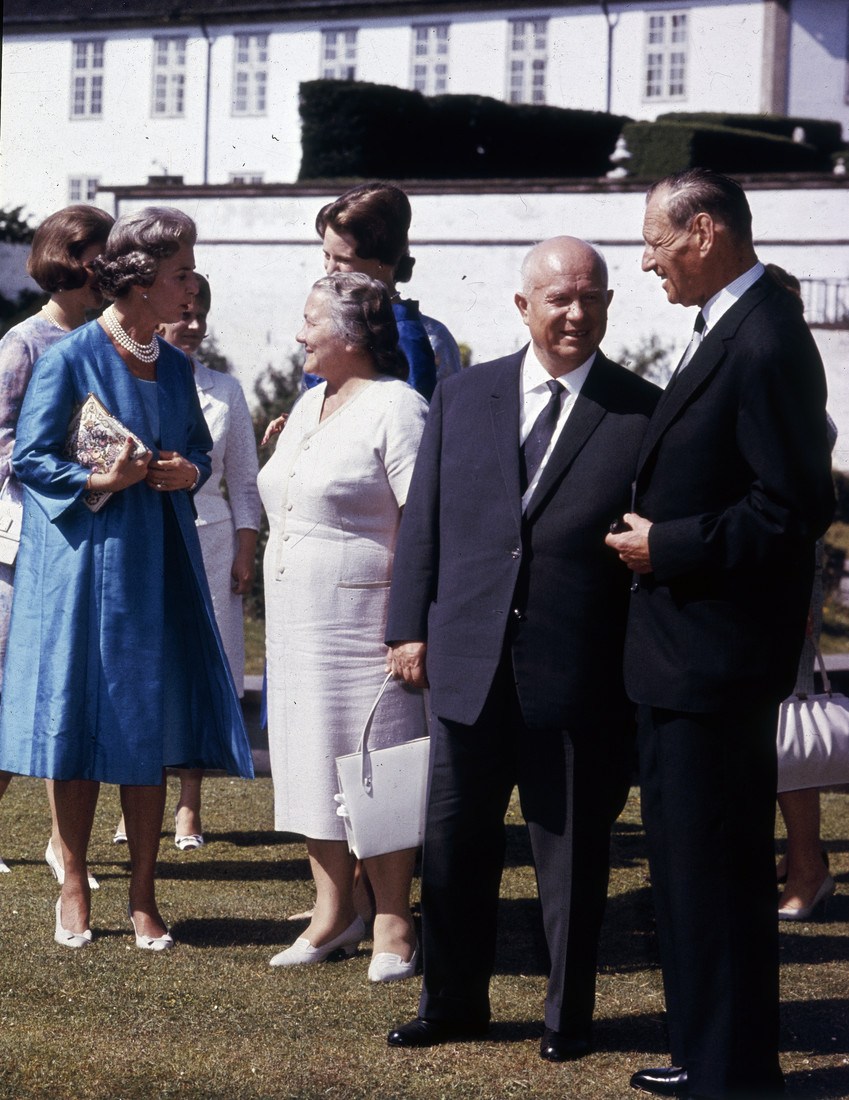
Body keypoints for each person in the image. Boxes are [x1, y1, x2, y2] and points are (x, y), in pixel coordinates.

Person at [384, 237, 660, 1058]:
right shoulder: (462, 396)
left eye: (592, 298)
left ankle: (565, 1019)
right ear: (522, 305)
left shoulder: (642, 412)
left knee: (570, 857)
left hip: (577, 673)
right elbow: (424, 522)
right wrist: (407, 627)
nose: (576, 314)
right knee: (453, 844)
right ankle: (451, 1004)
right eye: (559, 299)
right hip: (466, 665)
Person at [606, 169, 834, 1099]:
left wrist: (672, 545)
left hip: (714, 655)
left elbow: (793, 507)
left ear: (702, 232)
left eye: (654, 241)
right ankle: (711, 1053)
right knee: (691, 869)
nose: (647, 260)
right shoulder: (730, 328)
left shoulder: (766, 338)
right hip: (681, 655)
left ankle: (733, 1072)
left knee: (717, 869)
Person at [0, 206, 254, 951]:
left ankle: (144, 896)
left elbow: (199, 453)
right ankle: (74, 880)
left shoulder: (176, 366)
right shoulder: (69, 355)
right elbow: (30, 459)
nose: (192, 289)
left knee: (147, 722)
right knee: (77, 722)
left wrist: (185, 470)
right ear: (140, 282)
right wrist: (99, 475)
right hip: (81, 565)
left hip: (157, 563)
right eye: (181, 275)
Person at [260, 272, 428, 982]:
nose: (299, 334)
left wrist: (411, 626)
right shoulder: (307, 406)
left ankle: (393, 920)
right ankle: (334, 912)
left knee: (373, 770)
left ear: (352, 332)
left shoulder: (399, 406)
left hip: (367, 623)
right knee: (305, 763)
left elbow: (424, 524)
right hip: (296, 621)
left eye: (309, 321)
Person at [113, 274, 261, 852]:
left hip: (212, 543)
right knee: (144, 670)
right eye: (186, 311)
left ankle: (189, 808)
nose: (194, 324)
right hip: (144, 542)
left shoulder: (225, 390)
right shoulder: (124, 382)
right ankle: (136, 801)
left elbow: (244, 482)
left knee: (199, 672)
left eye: (202, 313)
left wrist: (245, 548)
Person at [0, 203, 114, 880]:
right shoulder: (24, 345)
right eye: (101, 259)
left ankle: (62, 844)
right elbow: (4, 444)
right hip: (24, 543)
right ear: (71, 263)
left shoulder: (105, 342)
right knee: (10, 690)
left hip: (89, 541)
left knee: (69, 697)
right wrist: (81, 471)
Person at [762, 264, 837, 921]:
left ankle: (808, 866)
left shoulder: (794, 392)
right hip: (739, 583)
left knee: (787, 726)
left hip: (778, 583)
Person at [315, 182, 462, 395]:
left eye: (344, 259)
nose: (330, 270)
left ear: (383, 261)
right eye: (327, 256)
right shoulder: (322, 330)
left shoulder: (432, 340)